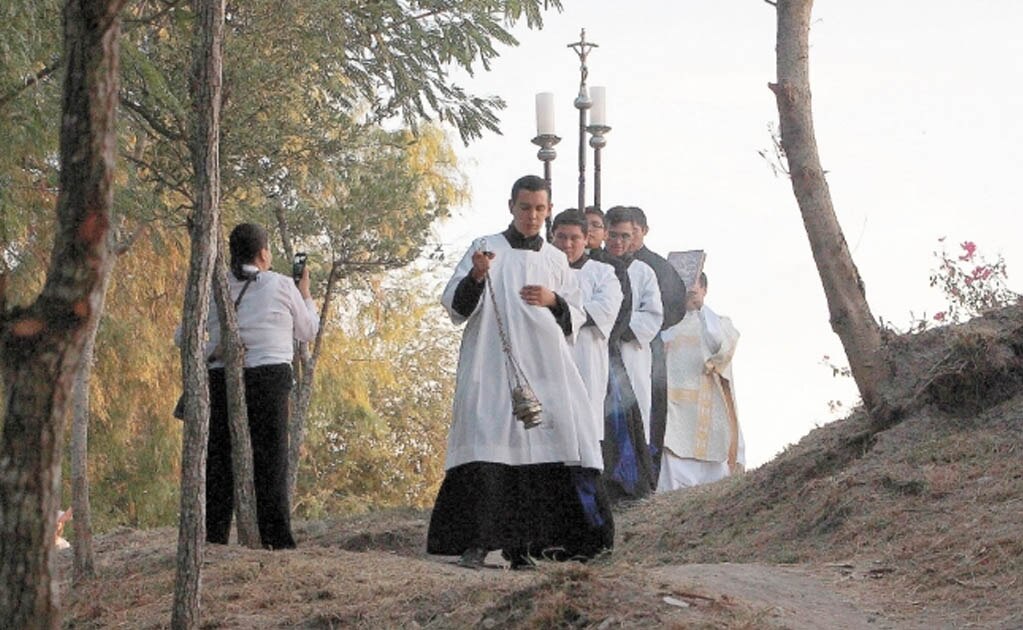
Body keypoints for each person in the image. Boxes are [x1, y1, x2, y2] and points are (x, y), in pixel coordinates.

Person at [426, 175, 614, 569]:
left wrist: (554, 300)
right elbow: (456, 307)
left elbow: (577, 316)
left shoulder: (555, 259)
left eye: (540, 209)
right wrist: (477, 276)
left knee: (540, 453)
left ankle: (525, 547)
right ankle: (475, 542)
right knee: (485, 442)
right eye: (525, 207)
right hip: (490, 364)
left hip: (544, 367)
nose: (532, 216)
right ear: (511, 206)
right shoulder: (485, 249)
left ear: (547, 211)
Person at [177, 222, 319, 549]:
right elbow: (308, 331)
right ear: (263, 253)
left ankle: (212, 538)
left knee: (219, 461)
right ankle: (276, 539)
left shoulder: (214, 288)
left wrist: (213, 349)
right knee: (271, 459)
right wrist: (306, 293)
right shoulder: (283, 285)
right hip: (270, 378)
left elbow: (182, 337)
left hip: (222, 377)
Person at [658, 272, 745, 490]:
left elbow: (718, 348)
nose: (688, 290)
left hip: (709, 416)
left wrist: (699, 309)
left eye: (695, 285)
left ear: (704, 289)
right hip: (674, 419)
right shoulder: (664, 326)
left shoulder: (720, 323)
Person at [551, 209, 623, 441]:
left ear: (586, 239)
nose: (567, 244)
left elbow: (604, 311)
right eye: (561, 237)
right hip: (547, 361)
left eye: (574, 238)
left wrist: (555, 306)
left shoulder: (603, 273)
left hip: (586, 361)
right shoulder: (540, 270)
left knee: (582, 436)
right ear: (552, 236)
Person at [628, 207, 687, 479]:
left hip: (647, 347)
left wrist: (646, 326)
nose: (625, 240)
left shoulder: (657, 267)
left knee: (648, 408)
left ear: (643, 231)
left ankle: (646, 470)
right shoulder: (605, 263)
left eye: (632, 232)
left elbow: (675, 306)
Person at [604, 207, 663, 444]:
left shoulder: (644, 272)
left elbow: (653, 315)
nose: (618, 241)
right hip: (597, 352)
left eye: (625, 236)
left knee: (634, 419)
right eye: (613, 234)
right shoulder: (592, 267)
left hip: (630, 354)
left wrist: (619, 326)